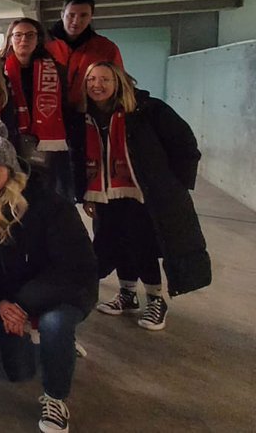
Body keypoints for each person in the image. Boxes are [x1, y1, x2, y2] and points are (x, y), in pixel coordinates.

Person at [0, 121, 97, 433]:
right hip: (11, 298)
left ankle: (56, 398)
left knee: (54, 325)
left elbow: (73, 268)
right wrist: (0, 303)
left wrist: (19, 303)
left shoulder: (49, 204)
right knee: (17, 373)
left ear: (11, 169)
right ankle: (49, 348)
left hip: (62, 292)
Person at [76, 62, 210, 330]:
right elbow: (80, 158)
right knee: (116, 242)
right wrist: (86, 194)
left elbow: (184, 143)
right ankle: (127, 294)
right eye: (91, 79)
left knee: (142, 243)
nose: (97, 85)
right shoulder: (85, 116)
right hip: (105, 193)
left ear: (118, 82)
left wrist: (172, 184)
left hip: (141, 193)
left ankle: (155, 299)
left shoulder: (148, 110)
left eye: (104, 79)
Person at [3, 18, 75, 200]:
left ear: (38, 39)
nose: (23, 40)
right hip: (11, 140)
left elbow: (66, 105)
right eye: (18, 35)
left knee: (47, 196)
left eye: (30, 35)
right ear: (10, 39)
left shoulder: (56, 69)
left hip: (48, 144)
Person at [47, 0, 123, 110]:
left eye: (83, 15)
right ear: (62, 15)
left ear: (91, 17)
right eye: (71, 15)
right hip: (47, 111)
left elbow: (120, 85)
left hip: (90, 113)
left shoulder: (106, 48)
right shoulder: (42, 45)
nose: (76, 21)